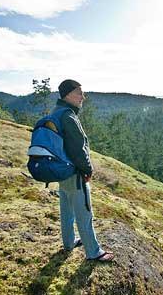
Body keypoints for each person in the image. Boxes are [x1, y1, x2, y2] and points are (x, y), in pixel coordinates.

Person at [55, 79, 114, 262]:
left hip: (62, 172)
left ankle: (69, 242)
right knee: (84, 212)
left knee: (66, 208)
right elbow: (78, 148)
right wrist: (88, 169)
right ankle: (94, 252)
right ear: (68, 95)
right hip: (74, 173)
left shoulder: (57, 112)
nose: (83, 97)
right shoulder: (69, 116)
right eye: (79, 93)